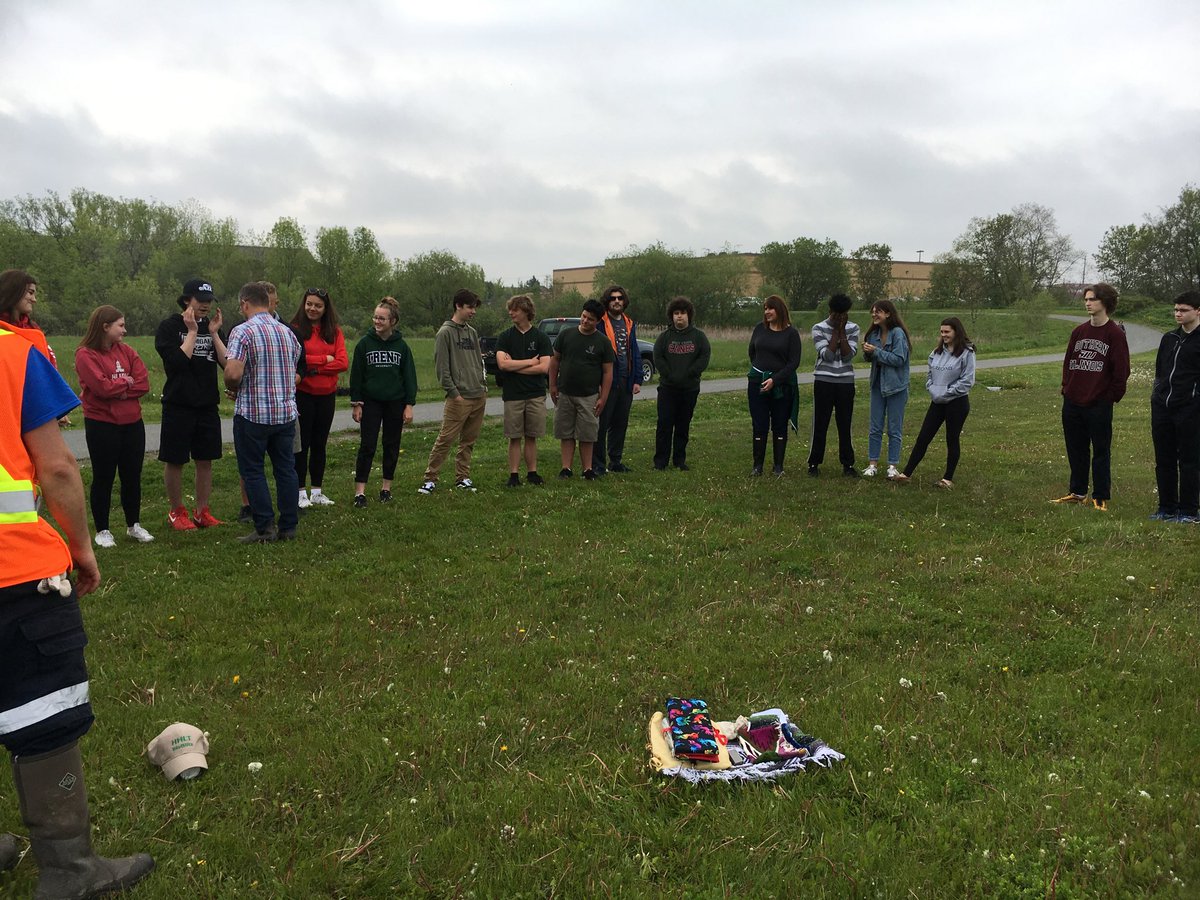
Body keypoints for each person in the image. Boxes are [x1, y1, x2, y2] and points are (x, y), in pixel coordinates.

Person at [0, 316, 155, 895]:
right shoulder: (13, 352)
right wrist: (81, 548)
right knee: (43, 714)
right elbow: (58, 465)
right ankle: (70, 869)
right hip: (14, 571)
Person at [223, 282, 303, 543]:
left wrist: (232, 386)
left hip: (253, 413)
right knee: (286, 470)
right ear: (268, 303)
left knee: (253, 471)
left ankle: (265, 528)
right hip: (285, 413)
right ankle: (288, 526)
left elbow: (233, 373)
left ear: (245, 303)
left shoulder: (243, 331)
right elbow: (292, 369)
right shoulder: (287, 332)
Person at [74, 305, 154, 546]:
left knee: (132, 475)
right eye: (121, 325)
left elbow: (143, 383)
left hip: (132, 423)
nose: (124, 330)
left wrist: (118, 388)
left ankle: (134, 525)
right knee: (104, 476)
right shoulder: (85, 354)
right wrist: (124, 384)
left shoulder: (127, 351)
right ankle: (103, 530)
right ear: (105, 327)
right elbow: (101, 388)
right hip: (102, 424)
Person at [154, 278, 228, 530]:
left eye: (209, 301)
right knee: (175, 459)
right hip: (178, 403)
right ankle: (177, 511)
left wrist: (214, 333)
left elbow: (228, 364)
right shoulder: (169, 327)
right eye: (200, 300)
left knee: (205, 459)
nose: (206, 305)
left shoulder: (211, 326)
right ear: (187, 300)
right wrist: (193, 331)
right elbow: (177, 363)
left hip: (207, 404)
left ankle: (202, 511)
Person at [1052, 283, 1130, 511]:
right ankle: (1077, 492)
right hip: (1073, 401)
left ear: (1105, 302)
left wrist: (1110, 397)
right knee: (1076, 448)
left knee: (1101, 450)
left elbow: (1122, 370)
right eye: (1086, 299)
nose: (1087, 303)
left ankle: (1100, 496)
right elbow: (1068, 362)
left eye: (1092, 299)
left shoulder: (1115, 334)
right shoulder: (1079, 332)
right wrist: (1066, 388)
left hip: (1099, 404)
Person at [892, 317, 976, 487]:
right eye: (941, 332)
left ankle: (947, 479)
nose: (943, 335)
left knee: (952, 439)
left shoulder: (967, 353)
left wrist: (947, 392)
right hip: (937, 402)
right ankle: (906, 474)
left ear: (956, 332)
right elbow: (930, 375)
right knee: (923, 437)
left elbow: (967, 380)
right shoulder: (936, 353)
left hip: (957, 403)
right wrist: (932, 389)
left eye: (947, 332)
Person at [418, 289, 488, 494]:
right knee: (446, 439)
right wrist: (454, 393)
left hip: (478, 394)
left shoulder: (472, 332)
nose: (473, 311)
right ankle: (430, 479)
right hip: (459, 397)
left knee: (468, 441)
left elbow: (478, 361)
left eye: (474, 308)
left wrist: (482, 385)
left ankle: (462, 477)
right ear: (458, 306)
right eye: (470, 307)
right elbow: (442, 368)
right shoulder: (445, 333)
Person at [350, 297, 417, 507]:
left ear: (392, 321)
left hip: (395, 402)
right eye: (375, 317)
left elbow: (409, 377)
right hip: (370, 402)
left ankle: (386, 488)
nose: (377, 322)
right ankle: (360, 492)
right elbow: (356, 376)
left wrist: (409, 404)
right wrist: (356, 403)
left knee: (391, 444)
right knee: (367, 445)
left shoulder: (402, 347)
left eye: (382, 318)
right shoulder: (364, 344)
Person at [290, 288, 347, 508]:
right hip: (303, 394)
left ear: (325, 308)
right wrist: (324, 359)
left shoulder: (334, 331)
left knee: (319, 444)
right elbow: (296, 360)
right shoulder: (294, 329)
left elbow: (342, 362)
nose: (312, 309)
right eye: (309, 304)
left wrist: (313, 368)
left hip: (327, 396)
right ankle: (300, 493)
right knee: (301, 444)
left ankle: (317, 491)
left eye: (318, 305)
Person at [1148, 291, 1200, 523]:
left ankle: (1189, 511)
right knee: (1164, 459)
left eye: (1183, 310)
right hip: (1162, 408)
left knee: (1189, 460)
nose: (1178, 314)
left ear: (1197, 311)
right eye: (1176, 309)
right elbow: (1160, 370)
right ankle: (1166, 507)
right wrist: (1157, 395)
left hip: (1190, 409)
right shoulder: (1169, 338)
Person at [549, 299, 614, 480]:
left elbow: (608, 372)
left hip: (589, 395)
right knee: (566, 432)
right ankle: (566, 468)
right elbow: (554, 361)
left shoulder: (603, 342)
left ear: (598, 321)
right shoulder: (566, 335)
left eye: (590, 319)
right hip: (565, 393)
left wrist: (603, 398)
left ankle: (587, 469)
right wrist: (552, 385)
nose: (585, 321)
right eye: (584, 316)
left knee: (587, 434)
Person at [495, 293, 553, 486]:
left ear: (526, 311)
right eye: (510, 310)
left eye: (515, 310)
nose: (511, 313)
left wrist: (515, 366)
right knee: (514, 437)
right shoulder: (505, 337)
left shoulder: (541, 337)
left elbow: (544, 368)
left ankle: (532, 473)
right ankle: (513, 475)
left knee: (531, 436)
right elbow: (503, 365)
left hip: (535, 394)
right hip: (513, 395)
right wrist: (529, 362)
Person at [0, 269, 70, 425]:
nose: (34, 300)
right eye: (30, 293)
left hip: (34, 405)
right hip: (8, 404)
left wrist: (55, 407)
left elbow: (47, 367)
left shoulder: (33, 330)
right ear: (14, 291)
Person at [652, 296, 711, 470]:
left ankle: (679, 460)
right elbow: (658, 357)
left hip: (689, 389)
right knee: (664, 425)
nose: (679, 316)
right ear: (671, 316)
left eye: (683, 313)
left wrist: (691, 373)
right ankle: (660, 462)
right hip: (667, 389)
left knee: (683, 426)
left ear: (689, 315)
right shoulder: (664, 337)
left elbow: (704, 357)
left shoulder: (699, 337)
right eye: (676, 313)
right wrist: (669, 374)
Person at [747, 295, 801, 476]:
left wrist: (775, 379)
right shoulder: (759, 329)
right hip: (758, 383)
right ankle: (757, 466)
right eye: (765, 308)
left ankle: (778, 466)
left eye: (770, 308)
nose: (767, 312)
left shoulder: (791, 334)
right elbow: (752, 352)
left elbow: (794, 362)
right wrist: (761, 372)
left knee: (779, 424)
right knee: (759, 424)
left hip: (782, 386)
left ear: (779, 310)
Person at [807, 293, 860, 477]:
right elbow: (827, 355)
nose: (840, 317)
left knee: (845, 423)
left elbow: (848, 356)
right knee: (820, 422)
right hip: (824, 380)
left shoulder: (853, 328)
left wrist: (843, 332)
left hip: (845, 381)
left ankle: (848, 464)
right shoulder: (818, 328)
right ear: (830, 311)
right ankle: (814, 463)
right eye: (837, 314)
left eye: (844, 314)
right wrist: (836, 332)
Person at [594, 285, 643, 475]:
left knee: (620, 423)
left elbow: (635, 351)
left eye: (620, 298)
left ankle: (615, 461)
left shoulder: (629, 323)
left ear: (624, 301)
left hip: (626, 380)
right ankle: (598, 464)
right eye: (613, 298)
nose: (616, 301)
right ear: (607, 301)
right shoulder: (600, 322)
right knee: (602, 423)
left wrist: (637, 379)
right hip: (607, 381)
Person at [861, 299, 911, 479]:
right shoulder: (873, 334)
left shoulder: (898, 334)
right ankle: (872, 464)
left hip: (896, 386)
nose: (874, 314)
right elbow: (871, 358)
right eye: (873, 311)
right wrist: (867, 352)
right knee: (875, 427)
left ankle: (892, 466)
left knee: (894, 428)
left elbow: (899, 359)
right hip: (877, 385)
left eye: (878, 311)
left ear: (888, 314)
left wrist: (876, 351)